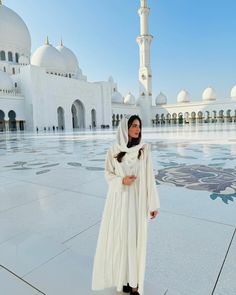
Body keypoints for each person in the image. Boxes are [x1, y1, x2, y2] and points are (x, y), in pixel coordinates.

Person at [91, 114, 160, 295]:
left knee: (136, 241)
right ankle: (124, 280)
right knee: (122, 240)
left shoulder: (144, 150)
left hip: (137, 203)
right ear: (125, 128)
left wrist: (153, 204)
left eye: (139, 126)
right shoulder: (114, 149)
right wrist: (122, 181)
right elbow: (108, 173)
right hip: (119, 202)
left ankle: (135, 285)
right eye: (133, 126)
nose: (137, 130)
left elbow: (150, 178)